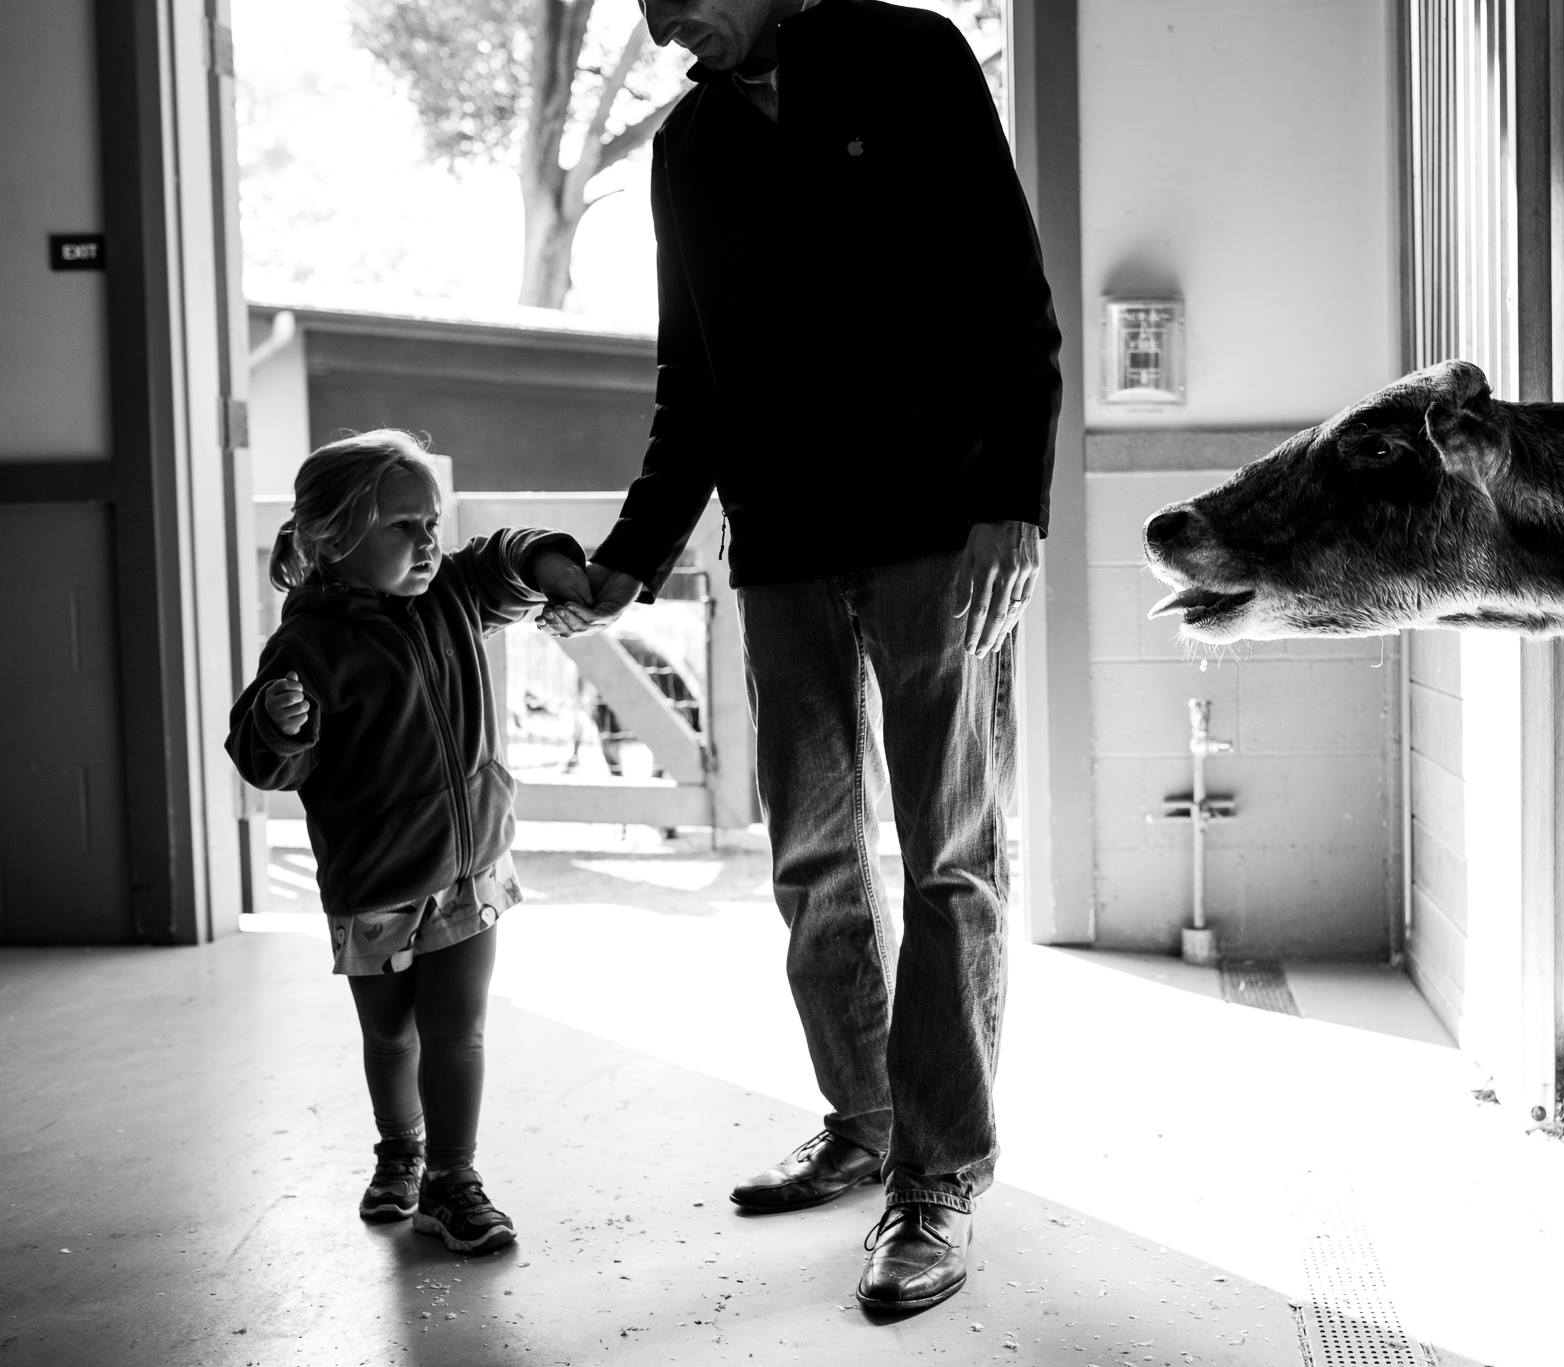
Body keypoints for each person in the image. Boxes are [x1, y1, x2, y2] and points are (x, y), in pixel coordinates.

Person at [544, 0, 1061, 1313]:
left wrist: (1014, 503)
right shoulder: (685, 149)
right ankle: (867, 1114)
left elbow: (1011, 300)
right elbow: (693, 387)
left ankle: (936, 1180)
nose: (664, 20)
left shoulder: (911, 58)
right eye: (647, 2)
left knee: (950, 856)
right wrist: (631, 557)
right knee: (811, 853)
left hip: (938, 534)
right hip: (778, 553)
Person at [226, 430, 589, 1255]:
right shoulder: (307, 644)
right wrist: (281, 729)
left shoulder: (453, 591)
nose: (428, 541)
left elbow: (503, 554)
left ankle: (451, 1181)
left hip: (469, 870)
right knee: (392, 1033)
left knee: (458, 1029)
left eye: (431, 521)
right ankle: (400, 1150)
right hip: (377, 881)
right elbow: (268, 762)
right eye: (402, 527)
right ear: (331, 541)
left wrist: (550, 563)